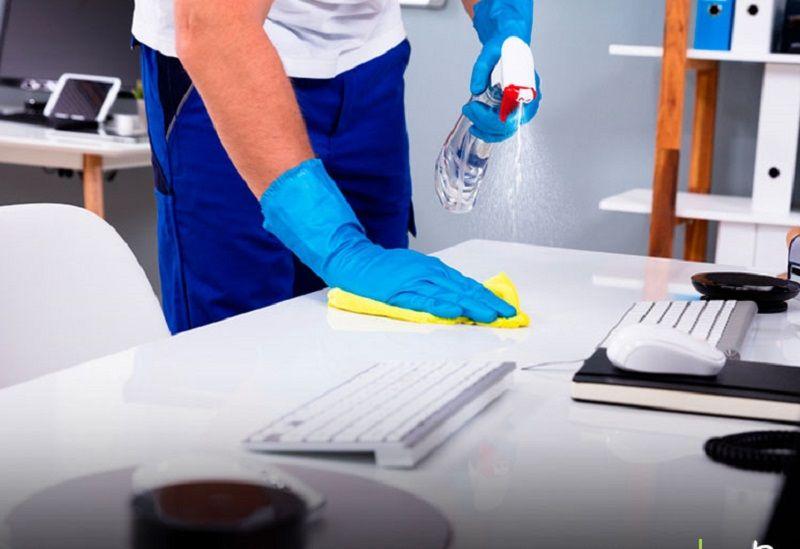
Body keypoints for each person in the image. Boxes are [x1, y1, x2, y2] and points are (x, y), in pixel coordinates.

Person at [132, 0, 541, 334]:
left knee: (376, 329)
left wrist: (504, 23)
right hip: (226, 59)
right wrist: (342, 249)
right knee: (236, 346)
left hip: (368, 60)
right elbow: (213, 26)